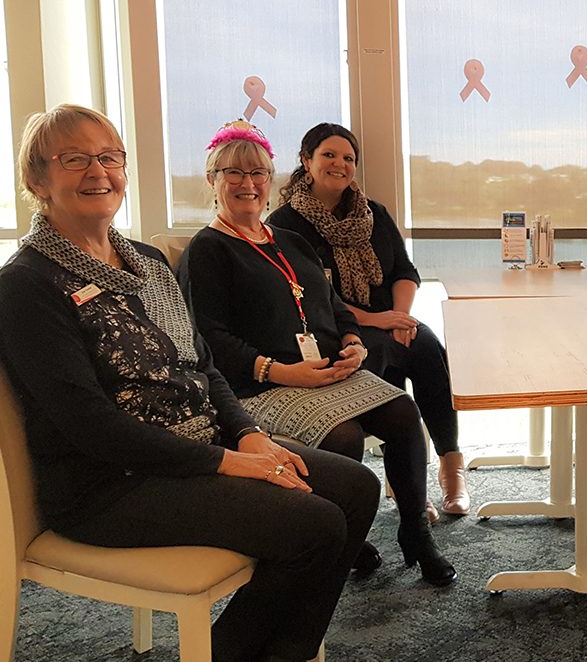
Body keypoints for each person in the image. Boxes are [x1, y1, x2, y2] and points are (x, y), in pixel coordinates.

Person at [0, 104, 381, 662]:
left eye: (109, 157)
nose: (97, 172)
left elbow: (202, 366)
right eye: (74, 159)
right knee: (316, 524)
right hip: (111, 483)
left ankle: (273, 649)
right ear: (37, 178)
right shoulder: (27, 285)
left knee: (356, 487)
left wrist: (249, 435)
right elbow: (90, 426)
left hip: (200, 444)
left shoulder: (147, 263)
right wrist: (229, 463)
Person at [177, 121, 455, 586]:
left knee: (405, 414)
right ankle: (347, 537)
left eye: (258, 173)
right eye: (234, 173)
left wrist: (351, 343)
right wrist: (283, 371)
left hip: (328, 372)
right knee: (342, 437)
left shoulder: (288, 241)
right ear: (212, 181)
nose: (248, 184)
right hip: (261, 384)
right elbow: (208, 340)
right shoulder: (207, 250)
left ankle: (415, 533)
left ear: (270, 181)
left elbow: (332, 306)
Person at [266, 122, 467, 518]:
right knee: (381, 359)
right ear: (307, 161)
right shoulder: (285, 224)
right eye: (329, 155)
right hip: (335, 331)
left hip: (387, 318)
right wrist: (377, 320)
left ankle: (451, 465)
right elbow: (314, 298)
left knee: (426, 347)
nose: (339, 164)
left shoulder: (373, 213)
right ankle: (406, 483)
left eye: (348, 158)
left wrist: (399, 318)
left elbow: (405, 273)